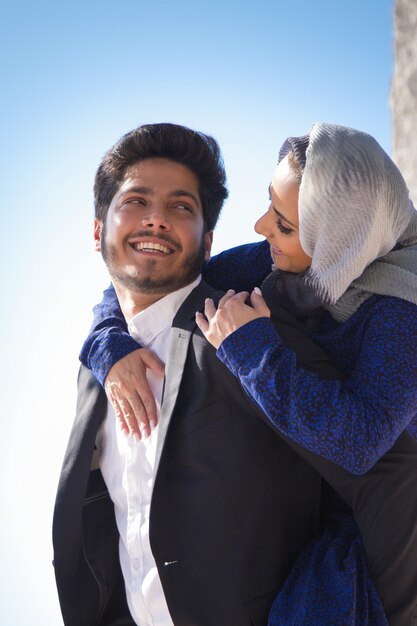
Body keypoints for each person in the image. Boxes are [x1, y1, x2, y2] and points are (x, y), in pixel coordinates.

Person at [78, 123, 417, 625]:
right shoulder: (278, 262)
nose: (260, 227)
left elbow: (361, 443)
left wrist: (248, 346)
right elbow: (158, 283)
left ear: (338, 242)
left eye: (282, 223)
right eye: (269, 206)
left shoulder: (402, 313)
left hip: (382, 545)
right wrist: (106, 342)